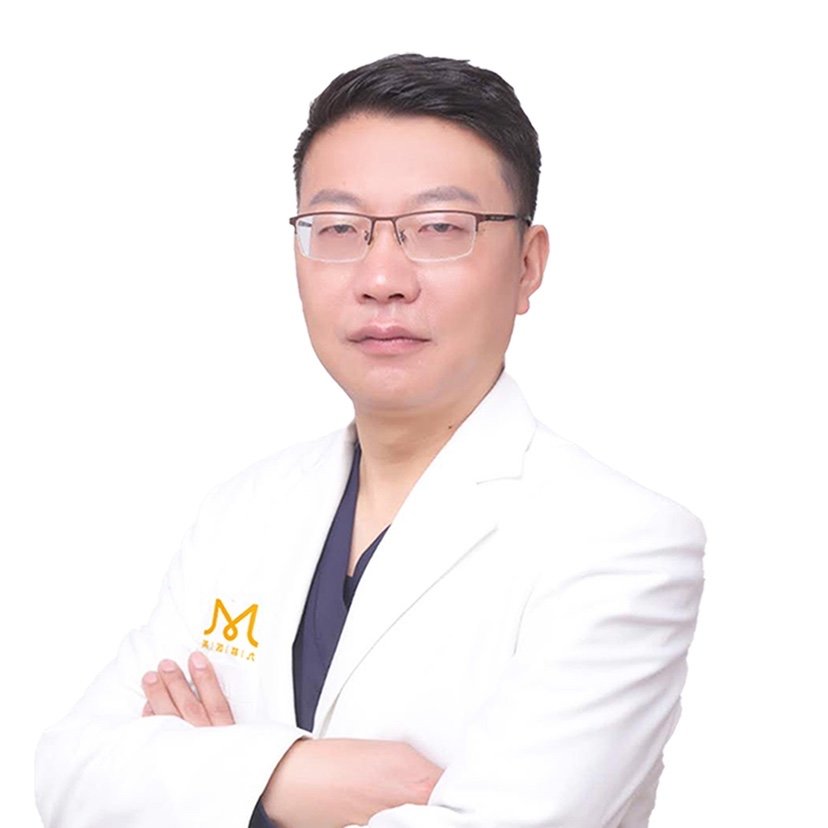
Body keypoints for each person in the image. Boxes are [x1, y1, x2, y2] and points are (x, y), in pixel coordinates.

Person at [35, 53, 705, 828]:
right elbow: (70, 774)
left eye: (440, 228)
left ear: (528, 266)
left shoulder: (623, 543)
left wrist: (210, 783)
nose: (381, 278)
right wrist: (290, 777)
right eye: (339, 229)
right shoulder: (241, 513)